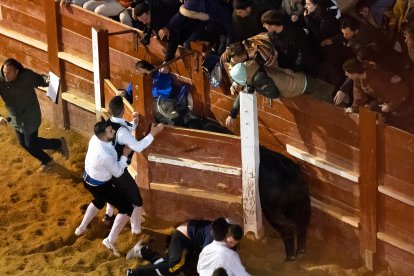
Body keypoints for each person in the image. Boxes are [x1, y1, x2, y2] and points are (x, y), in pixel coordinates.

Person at [101, 95, 164, 233]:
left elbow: (122, 129)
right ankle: (136, 229)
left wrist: (134, 123)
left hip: (106, 167)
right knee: (136, 200)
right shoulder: (122, 131)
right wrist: (152, 133)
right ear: (123, 110)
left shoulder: (108, 122)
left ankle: (108, 215)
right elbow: (138, 146)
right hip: (118, 168)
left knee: (113, 191)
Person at [76, 121, 134, 257]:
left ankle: (81, 228)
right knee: (126, 207)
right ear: (103, 135)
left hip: (87, 179)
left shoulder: (95, 138)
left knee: (99, 201)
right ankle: (110, 240)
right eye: (110, 131)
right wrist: (125, 154)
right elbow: (118, 172)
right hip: (100, 185)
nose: (113, 132)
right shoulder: (105, 156)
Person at [0, 58, 69, 172]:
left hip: (30, 114)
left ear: (17, 71)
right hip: (15, 117)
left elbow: (40, 80)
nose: (5, 76)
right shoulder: (1, 80)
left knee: (31, 143)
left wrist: (47, 80)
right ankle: (48, 161)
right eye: (4, 73)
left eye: (9, 73)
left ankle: (58, 143)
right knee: (23, 143)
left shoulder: (26, 76)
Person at [225, 59, 333, 127]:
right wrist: (233, 114)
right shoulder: (251, 68)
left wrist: (257, 91)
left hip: (299, 85)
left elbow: (274, 94)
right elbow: (247, 90)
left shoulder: (258, 79)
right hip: (296, 78)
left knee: (328, 98)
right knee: (324, 88)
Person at [126, 218, 243, 276]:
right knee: (175, 266)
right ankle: (134, 273)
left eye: (234, 244)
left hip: (194, 243)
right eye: (230, 242)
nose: (231, 245)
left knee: (175, 266)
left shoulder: (228, 237)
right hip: (182, 237)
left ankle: (142, 251)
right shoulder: (213, 238)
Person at [342, 58, 411, 118]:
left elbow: (398, 92)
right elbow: (359, 96)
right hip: (385, 99)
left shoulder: (376, 78)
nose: (346, 75)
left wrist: (390, 106)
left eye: (347, 73)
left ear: (355, 73)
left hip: (402, 97)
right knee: (368, 110)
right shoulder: (357, 79)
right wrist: (353, 109)